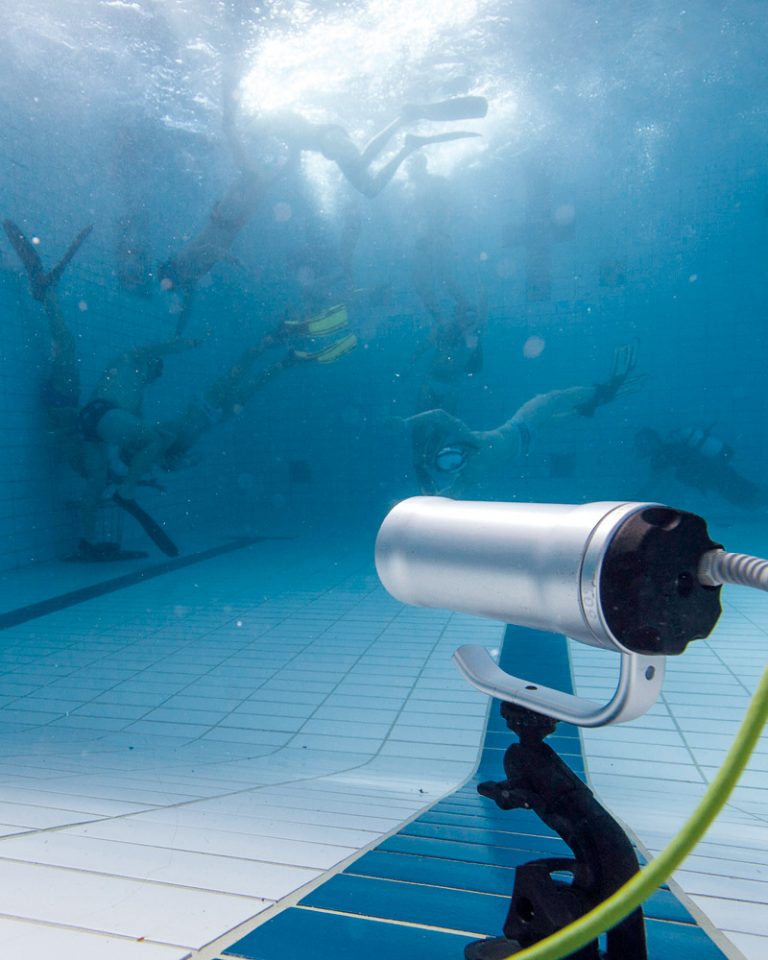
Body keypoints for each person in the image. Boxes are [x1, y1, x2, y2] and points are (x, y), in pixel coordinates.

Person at [404, 342, 640, 496]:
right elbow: (440, 416)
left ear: (449, 451)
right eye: (451, 464)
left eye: (449, 458)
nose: (456, 460)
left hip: (525, 441)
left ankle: (589, 406)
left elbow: (446, 497)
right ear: (452, 468)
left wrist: (427, 498)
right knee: (552, 399)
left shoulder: (468, 470)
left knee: (561, 413)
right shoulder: (471, 448)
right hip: (522, 426)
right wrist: (406, 423)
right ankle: (604, 390)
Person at [261, 95, 488, 199]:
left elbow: (298, 123)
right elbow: (293, 161)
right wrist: (266, 182)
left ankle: (403, 118)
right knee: (370, 191)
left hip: (329, 136)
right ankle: (409, 146)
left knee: (361, 163)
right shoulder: (280, 131)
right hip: (327, 145)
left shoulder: (277, 117)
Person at [3, 218, 92, 478]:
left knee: (65, 341)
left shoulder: (42, 283)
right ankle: (44, 290)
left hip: (63, 401)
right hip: (62, 402)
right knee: (64, 341)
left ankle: (44, 290)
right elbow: (64, 259)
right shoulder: (46, 281)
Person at [635, 425, 767, 512]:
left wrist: (642, 503)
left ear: (654, 440)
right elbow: (655, 482)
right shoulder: (662, 456)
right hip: (716, 477)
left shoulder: (666, 454)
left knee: (749, 499)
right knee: (747, 499)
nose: (644, 446)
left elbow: (662, 483)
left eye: (645, 442)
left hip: (717, 475)